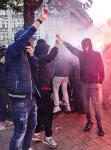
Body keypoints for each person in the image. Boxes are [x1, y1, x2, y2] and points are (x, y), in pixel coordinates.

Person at [5, 7, 49, 150]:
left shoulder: (25, 54)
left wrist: (31, 57)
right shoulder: (12, 50)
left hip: (31, 97)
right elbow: (24, 38)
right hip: (19, 99)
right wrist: (39, 21)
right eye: (27, 40)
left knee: (32, 127)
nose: (30, 42)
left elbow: (35, 71)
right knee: (20, 132)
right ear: (20, 40)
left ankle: (26, 148)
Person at [56, 35, 105, 136]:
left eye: (87, 45)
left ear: (90, 45)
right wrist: (63, 41)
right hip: (84, 84)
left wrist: (100, 82)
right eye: (84, 45)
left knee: (96, 106)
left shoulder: (96, 54)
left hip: (94, 84)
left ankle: (100, 127)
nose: (85, 47)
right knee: (86, 106)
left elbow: (101, 69)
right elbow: (72, 49)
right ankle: (89, 122)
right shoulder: (81, 55)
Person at [32, 39, 58, 147]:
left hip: (40, 91)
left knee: (39, 113)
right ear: (43, 51)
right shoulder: (40, 59)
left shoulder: (37, 59)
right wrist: (56, 45)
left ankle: (35, 133)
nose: (47, 52)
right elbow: (51, 56)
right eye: (46, 50)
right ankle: (48, 137)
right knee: (47, 114)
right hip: (43, 92)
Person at [52, 44, 72, 113]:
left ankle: (57, 106)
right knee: (65, 90)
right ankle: (68, 106)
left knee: (55, 90)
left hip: (58, 74)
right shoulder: (67, 55)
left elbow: (52, 64)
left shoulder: (56, 54)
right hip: (66, 75)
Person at [0, 44, 13, 131]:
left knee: (5, 105)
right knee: (1, 105)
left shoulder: (4, 64)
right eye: (4, 56)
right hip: (1, 87)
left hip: (5, 87)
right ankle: (0, 122)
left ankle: (4, 120)